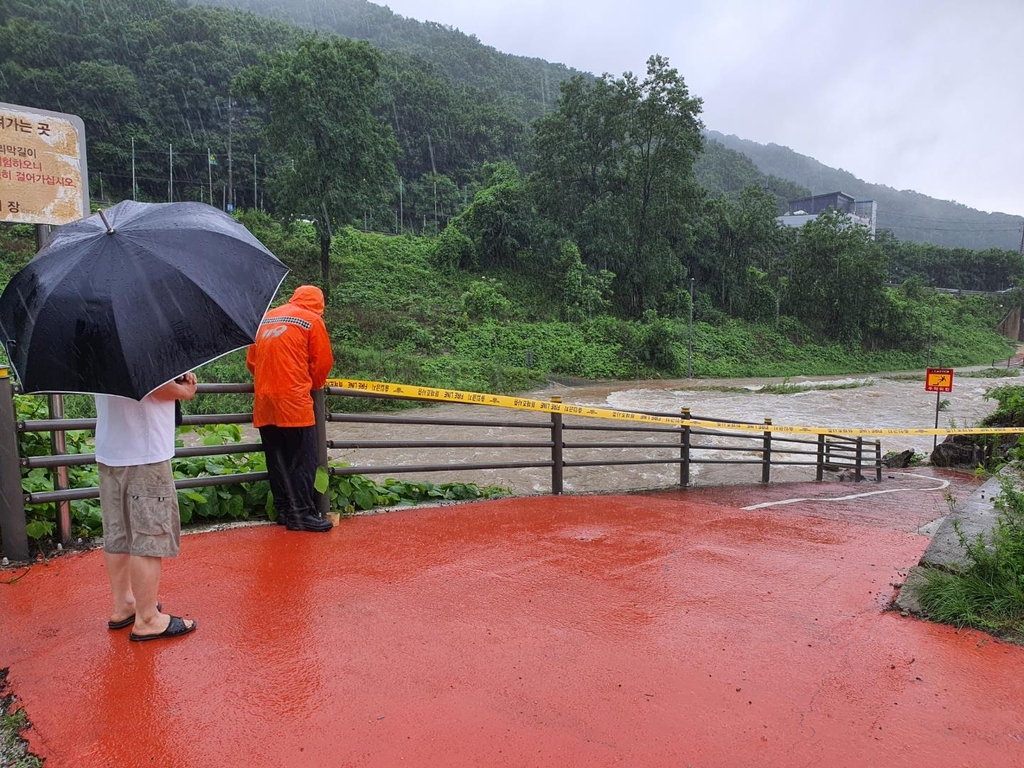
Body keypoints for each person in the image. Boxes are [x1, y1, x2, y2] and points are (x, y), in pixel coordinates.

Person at [96, 372, 198, 642]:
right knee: (149, 534)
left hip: (110, 449)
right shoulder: (138, 335)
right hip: (144, 449)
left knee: (118, 533)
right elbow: (156, 387)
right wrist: (184, 390)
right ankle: (148, 618)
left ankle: (124, 605)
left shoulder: (91, 336)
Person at [246, 285, 334, 533]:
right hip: (294, 404)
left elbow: (252, 362)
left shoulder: (267, 319)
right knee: (301, 460)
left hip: (265, 403)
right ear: (318, 304)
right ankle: (302, 514)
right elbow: (322, 364)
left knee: (277, 460)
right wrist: (311, 385)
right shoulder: (311, 320)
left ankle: (285, 511)